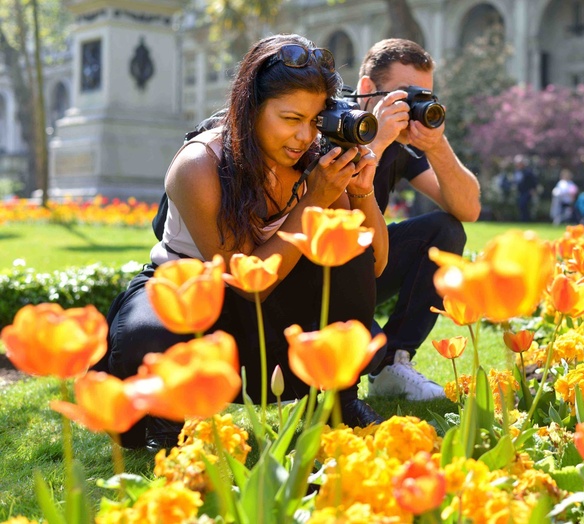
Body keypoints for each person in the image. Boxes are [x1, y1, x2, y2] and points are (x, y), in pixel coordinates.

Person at [98, 34, 389, 450]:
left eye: (314, 120)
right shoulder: (201, 164)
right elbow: (248, 281)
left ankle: (341, 400)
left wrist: (362, 192)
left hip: (262, 310)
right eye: (291, 119)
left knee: (347, 250)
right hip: (187, 290)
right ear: (250, 109)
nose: (305, 137)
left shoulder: (315, 161)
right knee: (148, 339)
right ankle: (168, 428)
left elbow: (373, 262)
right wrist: (313, 200)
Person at [354, 38, 481, 400]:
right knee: (368, 348)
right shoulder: (337, 126)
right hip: (321, 276)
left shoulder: (402, 142)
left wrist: (436, 146)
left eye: (423, 96)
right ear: (367, 90)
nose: (414, 107)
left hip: (369, 264)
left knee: (446, 229)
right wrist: (374, 143)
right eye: (404, 95)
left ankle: (395, 363)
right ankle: (377, 357)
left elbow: (468, 209)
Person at [513, 155, 539, 222]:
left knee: (523, 204)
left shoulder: (528, 172)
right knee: (520, 205)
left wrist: (533, 189)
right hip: (520, 192)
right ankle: (522, 219)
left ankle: (526, 219)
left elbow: (534, 181)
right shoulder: (516, 171)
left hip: (527, 191)